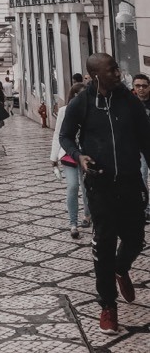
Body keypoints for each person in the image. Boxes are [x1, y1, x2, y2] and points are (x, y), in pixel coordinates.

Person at [60, 53, 150, 335]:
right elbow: (65, 136)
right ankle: (107, 306)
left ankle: (121, 268)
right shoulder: (82, 103)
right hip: (100, 186)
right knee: (104, 245)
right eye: (112, 69)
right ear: (96, 75)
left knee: (136, 239)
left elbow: (146, 139)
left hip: (131, 182)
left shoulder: (129, 101)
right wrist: (79, 156)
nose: (118, 72)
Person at [50, 83, 92, 238]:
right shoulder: (64, 111)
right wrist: (53, 158)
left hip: (87, 155)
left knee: (87, 187)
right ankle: (73, 223)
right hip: (68, 154)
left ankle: (87, 216)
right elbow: (58, 134)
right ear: (73, 96)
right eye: (78, 95)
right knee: (73, 186)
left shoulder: (91, 111)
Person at [132, 72, 150, 223]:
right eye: (138, 86)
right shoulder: (130, 103)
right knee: (142, 176)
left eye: (144, 86)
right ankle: (145, 208)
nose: (141, 89)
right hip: (138, 147)